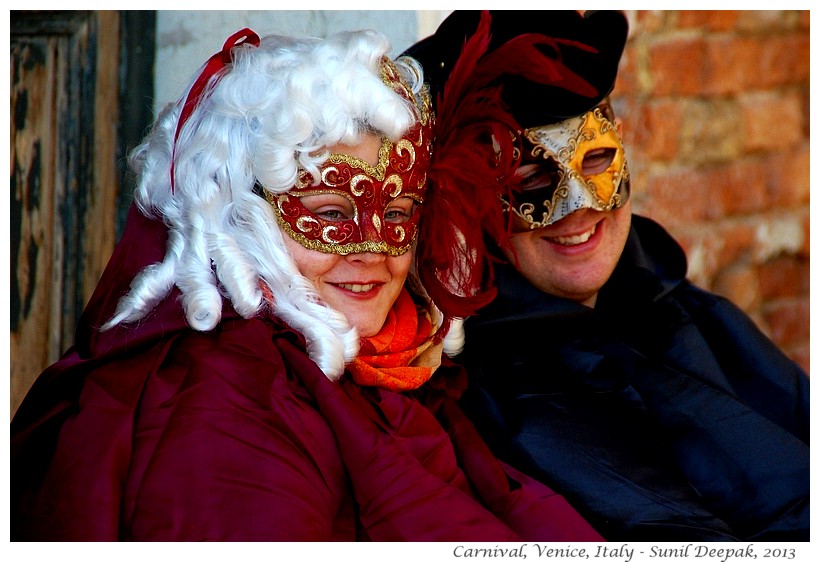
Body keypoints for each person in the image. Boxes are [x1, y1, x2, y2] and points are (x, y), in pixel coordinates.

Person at [10, 27, 604, 542]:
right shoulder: (226, 398)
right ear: (241, 216)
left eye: (396, 215)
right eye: (330, 214)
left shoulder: (381, 367)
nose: (371, 248)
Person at [405, 10, 809, 542]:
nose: (578, 207)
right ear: (471, 200)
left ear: (620, 141)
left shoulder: (692, 314)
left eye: (596, 160)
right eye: (531, 178)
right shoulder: (493, 403)